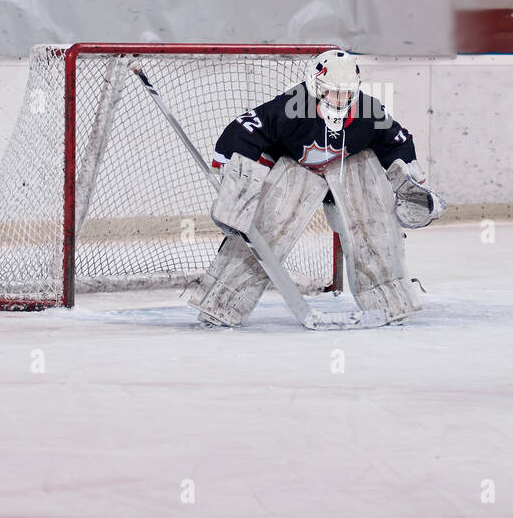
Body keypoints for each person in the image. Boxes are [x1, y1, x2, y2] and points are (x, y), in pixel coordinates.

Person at [190, 49, 444, 328]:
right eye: (332, 92)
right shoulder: (290, 108)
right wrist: (237, 180)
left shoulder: (369, 112)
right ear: (314, 86)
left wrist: (408, 179)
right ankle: (222, 302)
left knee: (372, 213)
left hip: (347, 181)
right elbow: (242, 131)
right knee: (267, 225)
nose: (340, 99)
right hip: (296, 175)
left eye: (346, 93)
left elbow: (398, 141)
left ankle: (388, 300)